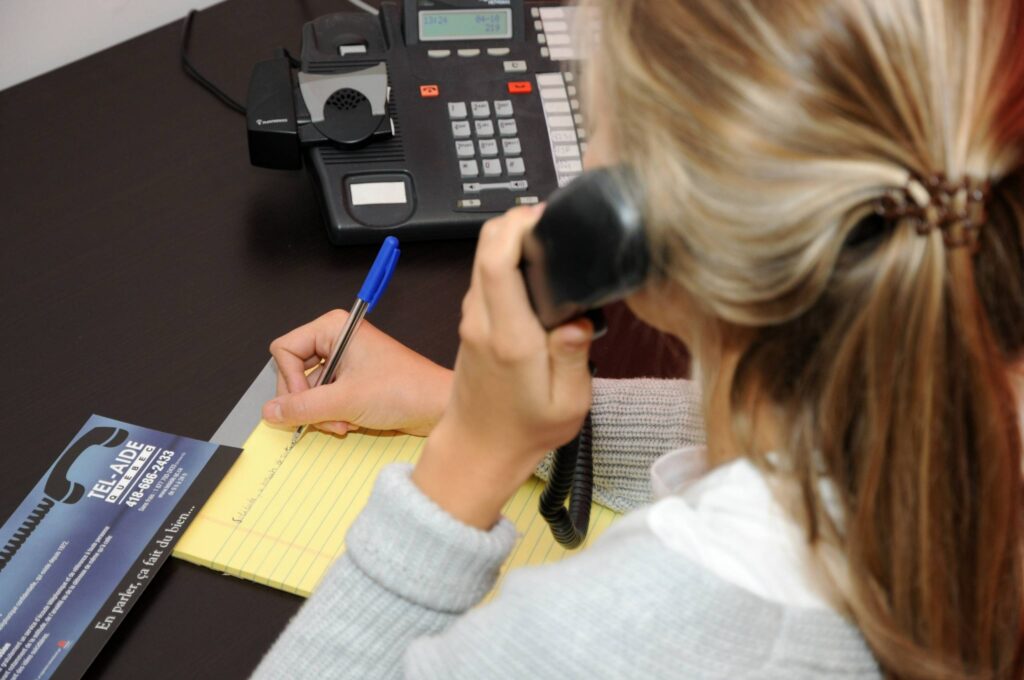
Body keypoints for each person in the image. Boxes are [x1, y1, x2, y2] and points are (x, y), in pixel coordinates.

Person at [253, 0, 1024, 677]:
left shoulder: (623, 632)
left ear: (639, 214)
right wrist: (464, 401)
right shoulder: (962, 395)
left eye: (598, 129)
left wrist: (466, 462)